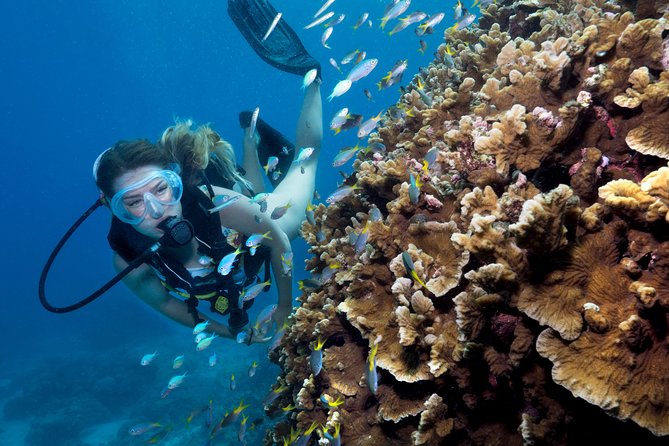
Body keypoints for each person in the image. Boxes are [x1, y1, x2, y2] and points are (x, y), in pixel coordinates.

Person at [91, 0, 322, 341]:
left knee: (305, 163)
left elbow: (280, 240)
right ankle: (251, 136)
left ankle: (311, 76)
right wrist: (233, 333)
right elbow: (167, 303)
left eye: (161, 188)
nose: (157, 210)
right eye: (134, 202)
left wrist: (286, 304)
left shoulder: (217, 203)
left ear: (175, 181)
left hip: (250, 216)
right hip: (240, 246)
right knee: (253, 194)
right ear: (112, 206)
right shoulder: (128, 259)